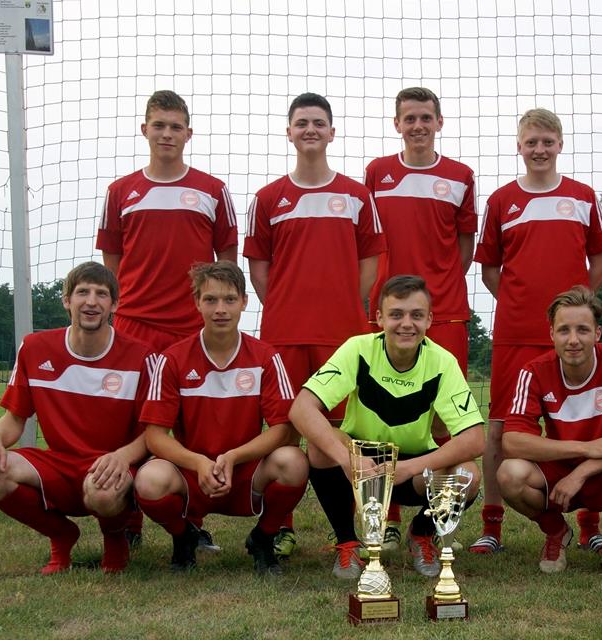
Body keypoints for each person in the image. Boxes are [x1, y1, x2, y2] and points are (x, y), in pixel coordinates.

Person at [244, 92, 387, 557]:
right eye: (301, 122)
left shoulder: (355, 195)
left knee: (340, 434)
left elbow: (370, 260)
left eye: (318, 122)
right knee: (283, 429)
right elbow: (260, 269)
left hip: (341, 335)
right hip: (284, 334)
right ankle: (280, 526)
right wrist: (284, 306)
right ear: (289, 132)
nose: (310, 129)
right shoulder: (268, 198)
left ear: (331, 131)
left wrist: (347, 303)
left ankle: (348, 532)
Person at [96, 89, 239, 551]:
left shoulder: (212, 189)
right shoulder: (121, 191)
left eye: (175, 126)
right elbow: (111, 259)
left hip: (189, 329)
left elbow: (228, 258)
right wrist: (117, 314)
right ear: (145, 130)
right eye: (159, 125)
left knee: (189, 428)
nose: (167, 134)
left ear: (188, 133)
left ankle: (191, 521)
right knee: (130, 423)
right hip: (136, 325)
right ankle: (129, 521)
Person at [472, 108, 602, 553]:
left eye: (547, 141)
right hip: (515, 332)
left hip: (574, 332)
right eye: (531, 142)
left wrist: (574, 312)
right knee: (498, 429)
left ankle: (589, 524)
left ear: (560, 144)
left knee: (587, 425)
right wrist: (519, 304)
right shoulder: (500, 201)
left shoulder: (584, 197)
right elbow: (491, 269)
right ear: (519, 146)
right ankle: (491, 526)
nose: (539, 150)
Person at [289, 275, 484, 579]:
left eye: (416, 315)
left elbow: (474, 439)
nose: (406, 323)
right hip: (361, 461)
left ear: (429, 320)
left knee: (468, 475)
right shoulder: (358, 349)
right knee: (320, 446)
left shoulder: (442, 362)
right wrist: (348, 460)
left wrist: (409, 468)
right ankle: (347, 541)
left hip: (414, 467)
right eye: (396, 314)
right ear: (379, 318)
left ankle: (421, 533)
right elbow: (301, 409)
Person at [0, 262, 153, 574]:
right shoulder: (35, 347)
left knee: (103, 490)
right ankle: (61, 534)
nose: (91, 301)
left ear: (114, 305)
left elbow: (153, 433)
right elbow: (15, 418)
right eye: (82, 292)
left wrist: (121, 457)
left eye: (101, 294)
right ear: (67, 300)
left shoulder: (141, 356)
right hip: (59, 462)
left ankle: (115, 537)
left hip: (110, 465)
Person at [133, 262, 308, 574]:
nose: (220, 309)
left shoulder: (266, 357)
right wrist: (199, 462)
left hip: (245, 471)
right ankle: (183, 537)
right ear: (197, 303)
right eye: (210, 299)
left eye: (229, 299)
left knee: (293, 461)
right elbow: (155, 436)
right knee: (149, 479)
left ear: (244, 302)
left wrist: (233, 456)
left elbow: (282, 428)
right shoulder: (172, 359)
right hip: (191, 472)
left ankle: (264, 538)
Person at [363, 86, 477, 550]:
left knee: (448, 423)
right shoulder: (377, 172)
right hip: (390, 315)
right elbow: (367, 239)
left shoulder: (461, 176)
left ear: (440, 122)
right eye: (409, 118)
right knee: (383, 417)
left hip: (444, 313)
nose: (418, 126)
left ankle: (429, 529)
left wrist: (437, 297)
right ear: (397, 124)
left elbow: (464, 249)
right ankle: (386, 517)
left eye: (425, 117)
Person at [498, 287, 602, 578]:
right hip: (560, 469)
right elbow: (512, 441)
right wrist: (585, 448)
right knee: (509, 474)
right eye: (564, 330)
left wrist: (581, 471)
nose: (573, 340)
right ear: (551, 335)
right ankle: (556, 532)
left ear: (597, 333)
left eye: (583, 330)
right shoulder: (533, 371)